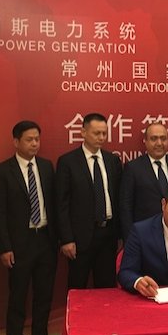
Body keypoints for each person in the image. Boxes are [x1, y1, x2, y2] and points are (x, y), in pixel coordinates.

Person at [0, 121, 58, 335]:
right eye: (29, 139)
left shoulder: (46, 166)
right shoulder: (3, 170)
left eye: (37, 139)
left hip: (45, 239)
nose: (34, 144)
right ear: (16, 141)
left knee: (44, 295)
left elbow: (53, 203)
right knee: (18, 296)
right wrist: (5, 247)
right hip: (19, 243)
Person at [56, 112, 123, 289]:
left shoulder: (112, 160)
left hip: (108, 235)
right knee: (78, 286)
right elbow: (61, 203)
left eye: (104, 133)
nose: (101, 137)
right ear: (83, 133)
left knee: (106, 288)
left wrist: (120, 234)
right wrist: (66, 239)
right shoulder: (68, 162)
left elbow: (118, 198)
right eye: (96, 133)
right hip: (80, 238)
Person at [120, 122, 168, 239]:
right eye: (154, 139)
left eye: (163, 139)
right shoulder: (133, 168)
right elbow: (126, 206)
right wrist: (130, 237)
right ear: (145, 141)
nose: (159, 143)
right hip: (143, 234)